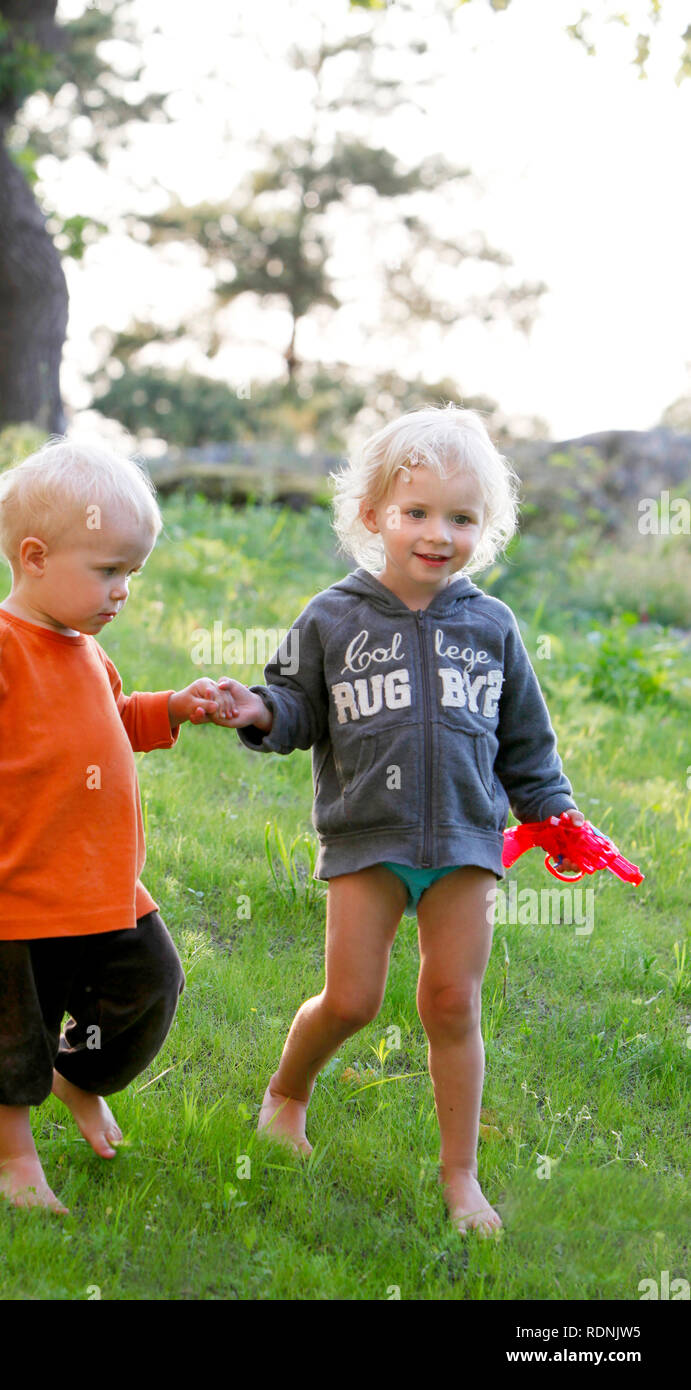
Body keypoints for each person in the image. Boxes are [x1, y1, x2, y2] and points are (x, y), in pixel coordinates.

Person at [211, 405, 587, 1235]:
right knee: (351, 1000)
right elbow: (296, 708)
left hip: (465, 842)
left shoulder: (490, 626)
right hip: (367, 840)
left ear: (483, 530)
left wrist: (553, 812)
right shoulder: (332, 616)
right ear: (374, 514)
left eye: (460, 517)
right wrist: (256, 710)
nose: (436, 533)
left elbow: (525, 741)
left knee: (452, 1004)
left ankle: (461, 1180)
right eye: (416, 512)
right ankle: (287, 1093)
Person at [0, 437, 235, 1213]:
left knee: (151, 982)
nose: (122, 590)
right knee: (8, 1031)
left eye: (132, 572)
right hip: (10, 889)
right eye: (107, 570)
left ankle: (77, 1075)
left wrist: (174, 706)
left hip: (101, 883)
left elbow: (110, 722)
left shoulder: (86, 650)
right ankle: (14, 1160)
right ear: (34, 556)